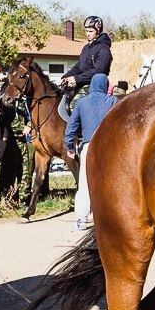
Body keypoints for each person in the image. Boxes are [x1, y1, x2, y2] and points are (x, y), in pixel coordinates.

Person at [64, 73, 117, 230]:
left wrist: (70, 146)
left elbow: (72, 126)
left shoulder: (82, 102)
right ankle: (108, 217)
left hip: (89, 146)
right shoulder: (113, 101)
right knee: (109, 181)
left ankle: (81, 218)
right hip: (109, 146)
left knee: (85, 182)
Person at [62, 16, 112, 108]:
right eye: (86, 31)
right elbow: (78, 67)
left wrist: (76, 79)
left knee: (75, 105)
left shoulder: (104, 49)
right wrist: (65, 77)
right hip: (82, 84)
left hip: (96, 86)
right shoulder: (86, 48)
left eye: (91, 31)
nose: (88, 34)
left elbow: (98, 71)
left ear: (98, 31)